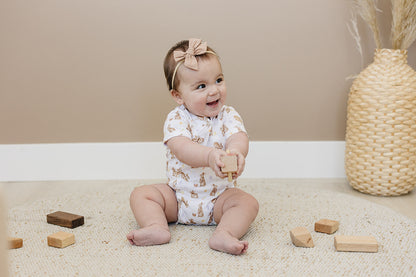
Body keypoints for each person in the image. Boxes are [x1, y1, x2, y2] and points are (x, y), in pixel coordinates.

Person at [127, 38, 259, 255]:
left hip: (219, 199)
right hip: (178, 198)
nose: (214, 91)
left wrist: (237, 151)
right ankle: (156, 226)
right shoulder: (176, 118)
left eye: (218, 80)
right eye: (201, 86)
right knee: (141, 194)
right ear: (178, 96)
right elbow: (181, 148)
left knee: (248, 203)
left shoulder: (228, 115)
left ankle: (225, 232)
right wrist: (209, 156)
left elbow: (239, 136)